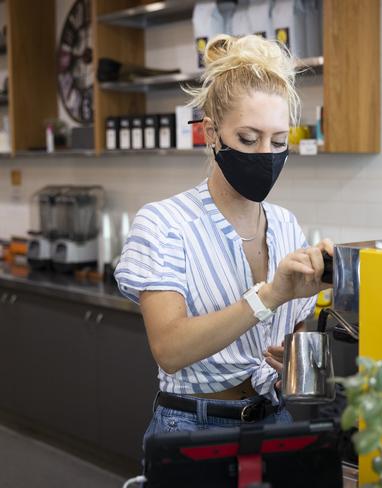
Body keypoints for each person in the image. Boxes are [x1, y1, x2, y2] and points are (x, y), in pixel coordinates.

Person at [114, 34, 333, 447]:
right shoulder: (164, 223)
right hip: (193, 428)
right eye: (249, 139)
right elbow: (171, 349)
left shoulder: (286, 226)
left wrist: (297, 358)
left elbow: (296, 337)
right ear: (212, 133)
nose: (266, 153)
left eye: (279, 141)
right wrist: (269, 296)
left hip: (275, 419)